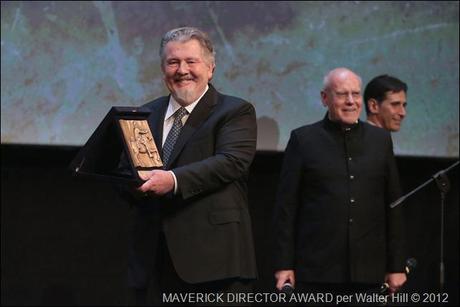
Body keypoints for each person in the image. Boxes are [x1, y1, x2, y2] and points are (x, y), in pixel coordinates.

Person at [119, 27, 258, 305]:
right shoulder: (143, 114)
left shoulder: (234, 111)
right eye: (173, 62)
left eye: (191, 61)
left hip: (214, 263)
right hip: (153, 261)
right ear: (163, 69)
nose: (182, 70)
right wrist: (130, 182)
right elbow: (127, 171)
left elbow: (231, 162)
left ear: (210, 67)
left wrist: (171, 180)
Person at [273, 68, 407, 303]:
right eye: (342, 94)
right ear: (325, 98)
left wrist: (396, 265)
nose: (351, 101)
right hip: (316, 271)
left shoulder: (380, 141)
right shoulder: (303, 140)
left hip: (369, 272)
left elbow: (393, 205)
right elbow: (286, 208)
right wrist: (284, 264)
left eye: (355, 94)